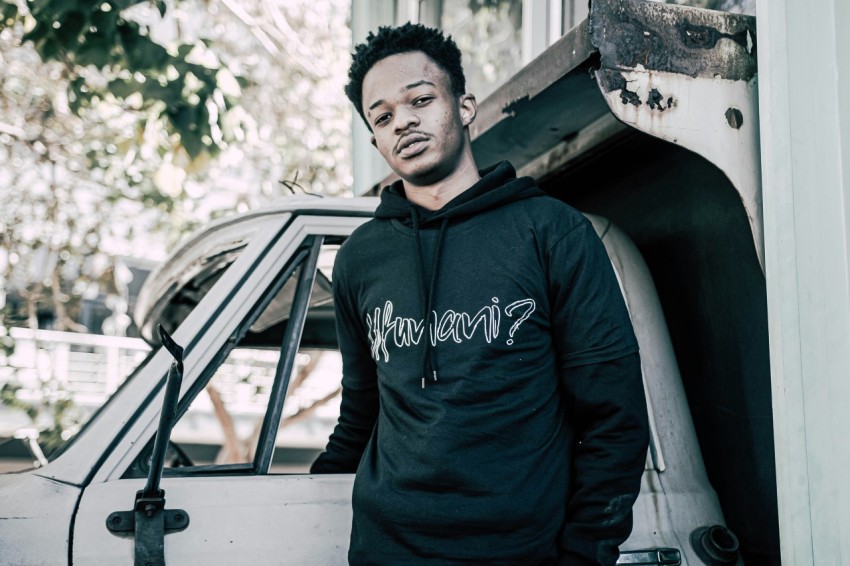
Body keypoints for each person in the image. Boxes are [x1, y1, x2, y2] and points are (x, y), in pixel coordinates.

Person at [311, 22, 649, 566]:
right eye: (383, 116)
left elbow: (615, 416)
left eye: (420, 99)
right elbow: (362, 410)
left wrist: (586, 553)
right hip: (385, 551)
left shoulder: (550, 232)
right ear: (375, 138)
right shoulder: (359, 258)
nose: (404, 121)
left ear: (464, 107)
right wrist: (303, 495)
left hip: (520, 552)